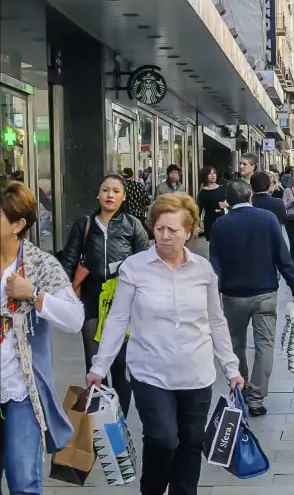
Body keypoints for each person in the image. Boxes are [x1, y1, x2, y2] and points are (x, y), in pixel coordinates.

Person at [87, 192, 243, 495]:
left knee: (189, 445)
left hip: (196, 374)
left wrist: (231, 367)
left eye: (173, 230)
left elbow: (216, 321)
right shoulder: (134, 267)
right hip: (150, 372)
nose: (164, 236)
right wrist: (99, 365)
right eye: (159, 228)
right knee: (162, 438)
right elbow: (118, 320)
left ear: (189, 231)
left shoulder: (203, 270)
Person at [1, 181, 84, 494]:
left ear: (18, 225)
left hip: (20, 389)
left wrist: (34, 294)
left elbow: (74, 318)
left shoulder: (40, 264)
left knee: (23, 482)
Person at [59, 173, 150, 416]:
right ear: (98, 194)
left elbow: (146, 265)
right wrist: (66, 294)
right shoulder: (84, 224)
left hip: (122, 300)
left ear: (124, 197)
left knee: (121, 364)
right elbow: (69, 259)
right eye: (105, 190)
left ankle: (120, 419)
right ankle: (101, 418)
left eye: (116, 191)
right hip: (90, 298)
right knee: (95, 363)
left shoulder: (133, 225)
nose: (110, 195)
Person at [210, 181, 294, 416]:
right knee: (265, 345)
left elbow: (215, 265)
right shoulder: (268, 219)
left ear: (227, 201)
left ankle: (240, 385)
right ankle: (256, 398)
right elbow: (282, 256)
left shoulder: (220, 224)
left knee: (235, 344)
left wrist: (210, 294)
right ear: (250, 195)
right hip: (265, 292)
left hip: (233, 295)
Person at [196, 166, 227, 241]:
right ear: (205, 176)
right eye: (210, 174)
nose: (213, 175)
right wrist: (196, 225)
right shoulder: (202, 193)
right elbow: (198, 211)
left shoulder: (223, 189)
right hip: (210, 222)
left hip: (224, 219)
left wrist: (226, 205)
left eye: (214, 173)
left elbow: (231, 203)